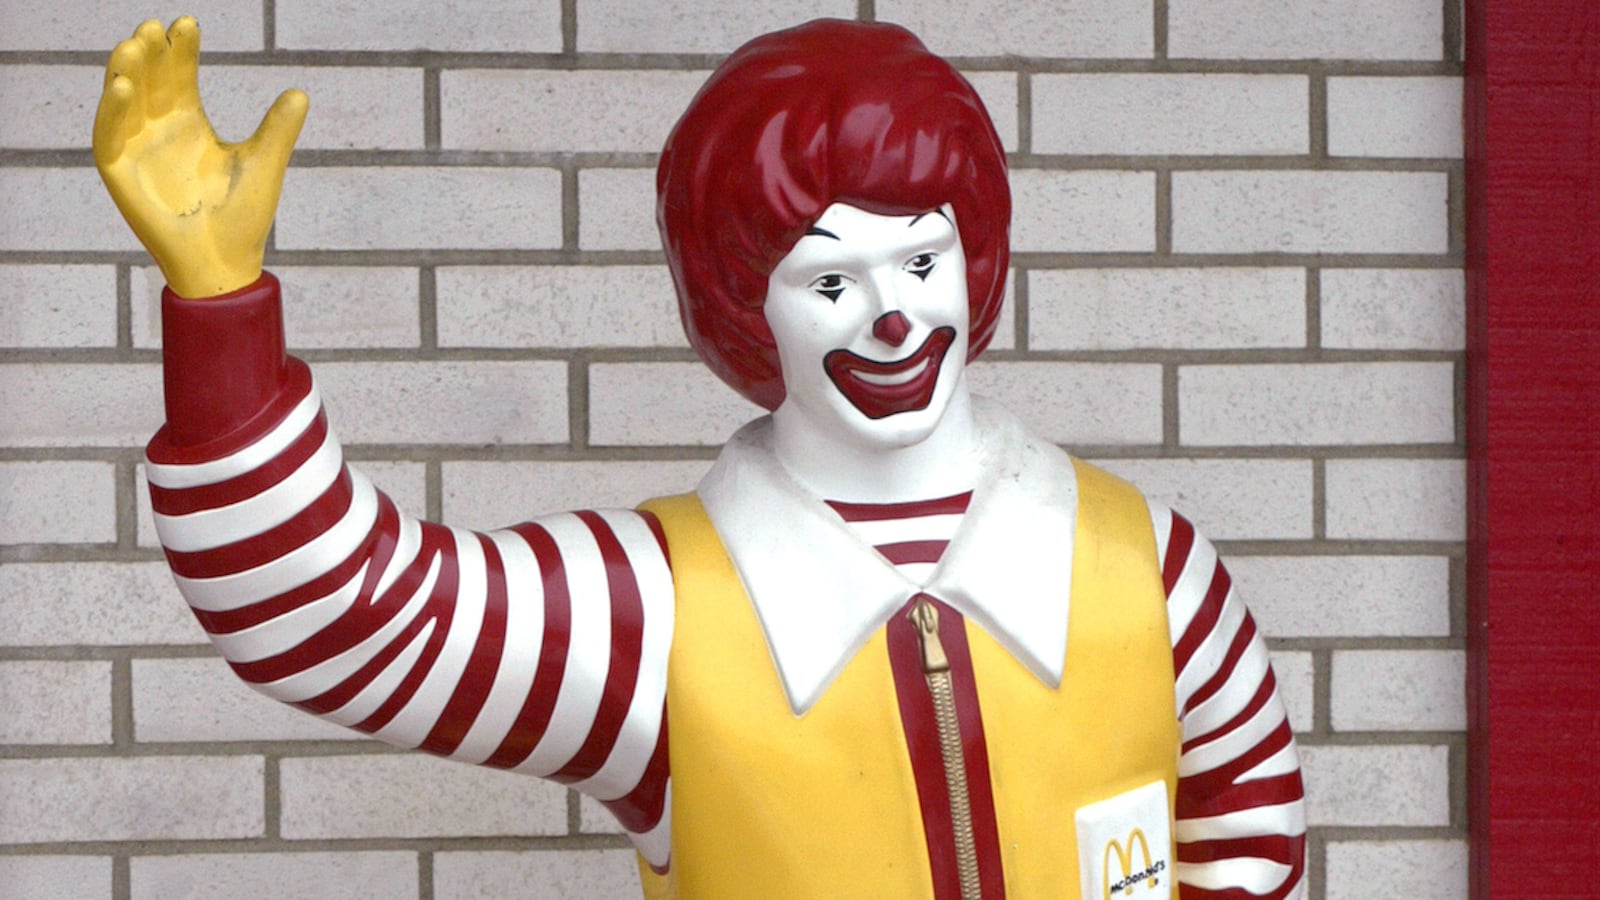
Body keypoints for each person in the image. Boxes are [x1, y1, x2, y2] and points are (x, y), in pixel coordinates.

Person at [95, 16, 1305, 899]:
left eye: (920, 260)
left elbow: (1249, 817)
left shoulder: (1152, 570)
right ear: (743, 306)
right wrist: (222, 311)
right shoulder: (653, 617)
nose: (893, 315)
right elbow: (346, 620)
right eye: (829, 280)